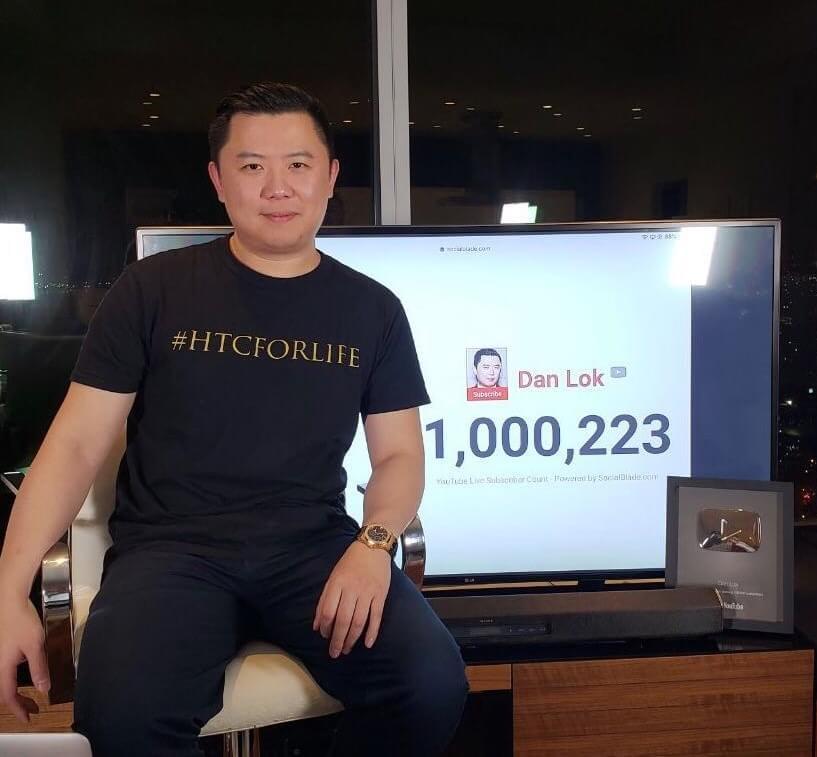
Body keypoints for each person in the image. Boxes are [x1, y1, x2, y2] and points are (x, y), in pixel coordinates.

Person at [0, 82, 468, 757]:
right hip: (172, 554)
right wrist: (9, 588)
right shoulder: (152, 290)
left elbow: (399, 455)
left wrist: (373, 545)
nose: (277, 187)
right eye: (252, 166)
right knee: (123, 714)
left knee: (430, 685)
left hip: (312, 550)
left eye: (298, 164)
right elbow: (74, 445)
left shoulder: (372, 310)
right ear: (219, 181)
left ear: (330, 177)